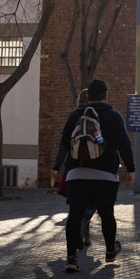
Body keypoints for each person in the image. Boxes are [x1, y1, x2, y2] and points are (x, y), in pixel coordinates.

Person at [56, 79, 135, 274]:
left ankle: (71, 258)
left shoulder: (75, 114)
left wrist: (59, 166)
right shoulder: (114, 116)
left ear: (88, 96)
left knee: (75, 215)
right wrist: (130, 169)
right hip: (105, 174)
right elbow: (124, 143)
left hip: (76, 173)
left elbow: (65, 141)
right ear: (106, 95)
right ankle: (109, 250)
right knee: (107, 214)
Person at [51, 88, 97, 246]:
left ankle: (79, 236)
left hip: (74, 166)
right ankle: (85, 228)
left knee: (76, 203)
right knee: (92, 201)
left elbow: (64, 144)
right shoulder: (99, 115)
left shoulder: (73, 115)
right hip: (94, 166)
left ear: (79, 100)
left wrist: (56, 166)